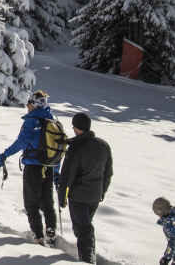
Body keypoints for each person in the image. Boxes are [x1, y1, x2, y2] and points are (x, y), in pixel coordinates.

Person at [0, 90, 58, 246]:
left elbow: (22, 142)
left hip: (33, 166)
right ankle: (51, 232)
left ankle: (38, 236)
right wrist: (56, 170)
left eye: (28, 104)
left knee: (32, 203)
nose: (27, 107)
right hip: (48, 166)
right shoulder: (52, 121)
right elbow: (58, 147)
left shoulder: (31, 121)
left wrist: (5, 155)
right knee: (47, 201)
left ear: (34, 104)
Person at [56, 112, 113, 264]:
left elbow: (67, 176)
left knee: (82, 230)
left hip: (79, 196)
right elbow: (108, 172)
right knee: (86, 226)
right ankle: (88, 255)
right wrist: (103, 191)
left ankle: (87, 260)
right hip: (95, 195)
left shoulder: (75, 148)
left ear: (76, 126)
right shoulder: (103, 145)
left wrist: (62, 198)